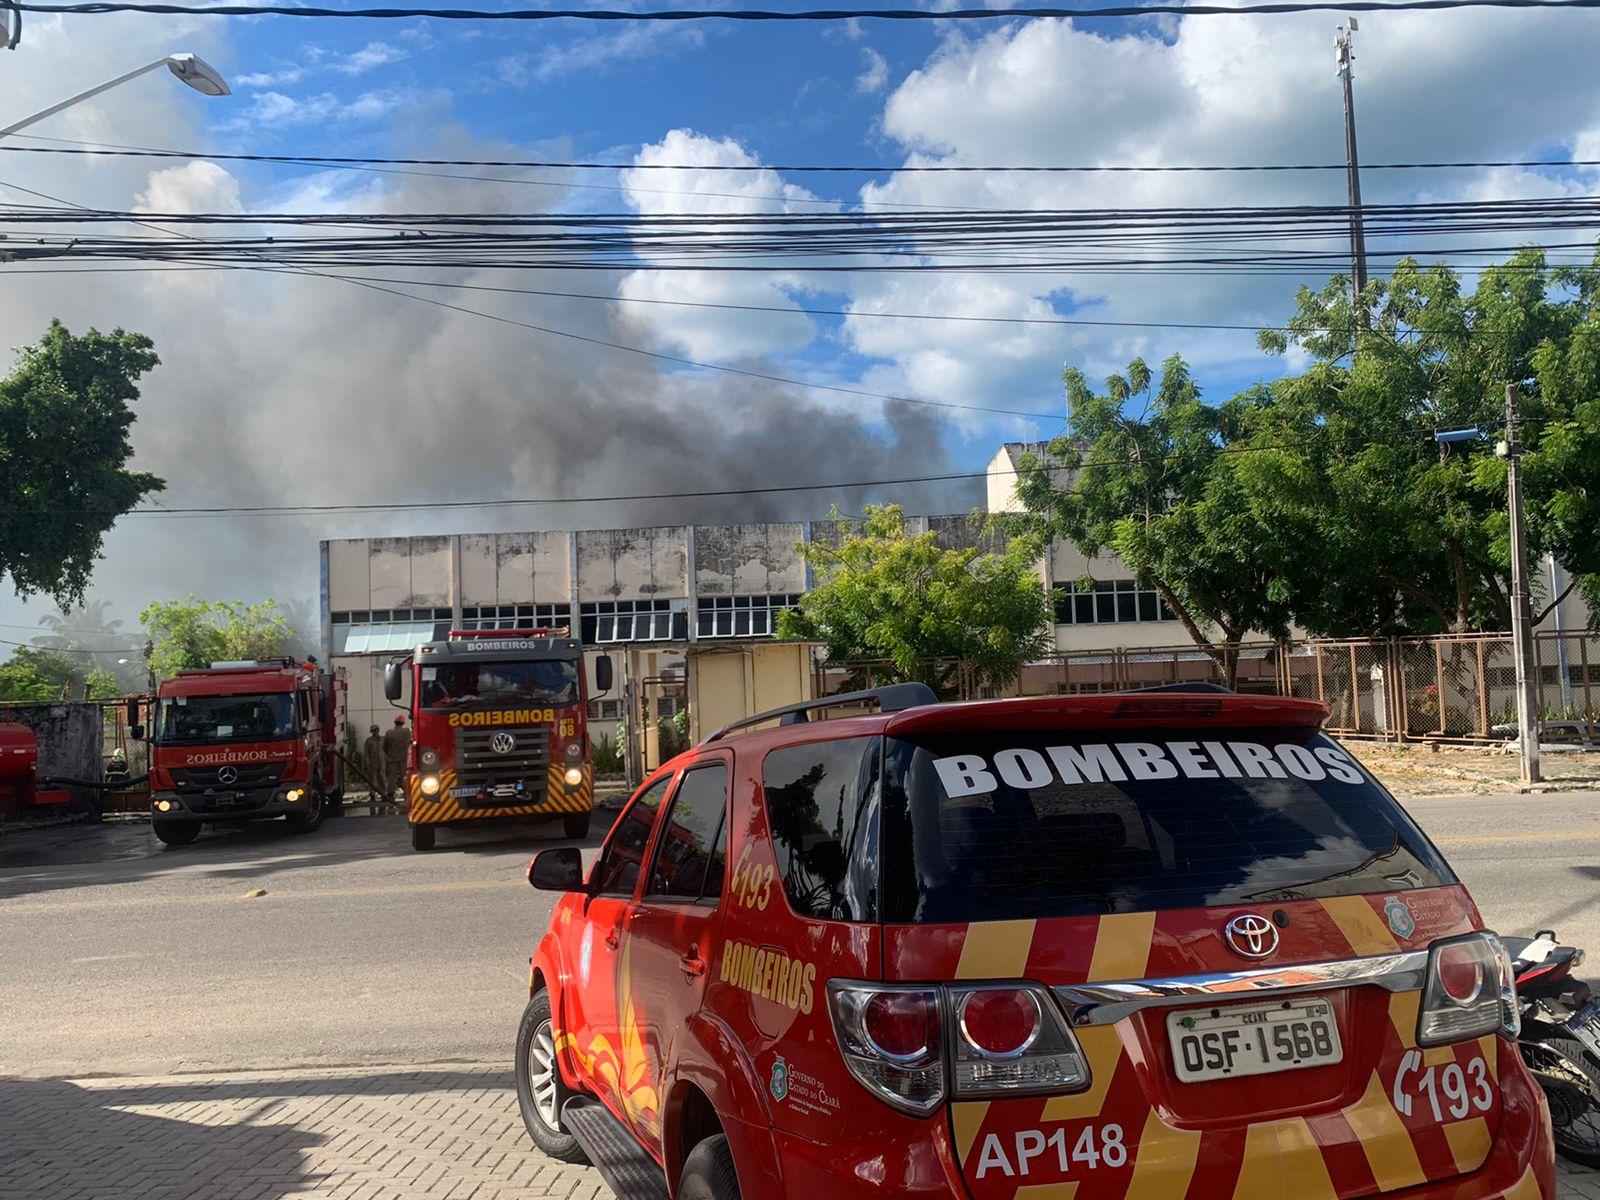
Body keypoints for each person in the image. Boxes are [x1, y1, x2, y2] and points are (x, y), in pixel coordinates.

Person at [382, 714, 412, 804]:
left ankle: (390, 795)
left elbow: (384, 746)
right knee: (404, 776)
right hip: (404, 759)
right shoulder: (407, 732)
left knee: (392, 777)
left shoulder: (389, 733)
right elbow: (410, 743)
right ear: (403, 723)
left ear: (395, 722)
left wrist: (389, 754)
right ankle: (406, 794)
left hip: (392, 759)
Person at [362, 724, 387, 805]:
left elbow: (386, 750)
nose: (375, 732)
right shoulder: (368, 741)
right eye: (373, 730)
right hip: (372, 763)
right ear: (371, 731)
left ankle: (383, 795)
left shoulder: (382, 739)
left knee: (382, 780)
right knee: (373, 781)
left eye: (376, 730)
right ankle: (372, 794)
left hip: (381, 763)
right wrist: (367, 764)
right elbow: (366, 753)